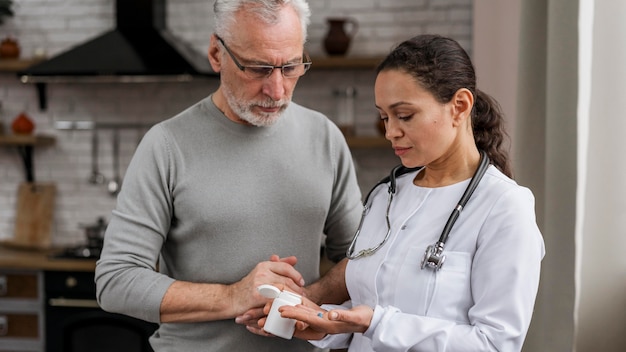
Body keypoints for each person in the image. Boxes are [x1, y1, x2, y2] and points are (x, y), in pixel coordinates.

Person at [94, 1, 363, 351]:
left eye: (291, 66)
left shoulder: (325, 137)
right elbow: (115, 281)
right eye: (258, 68)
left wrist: (306, 299)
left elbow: (360, 262)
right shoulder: (166, 145)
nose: (277, 90)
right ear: (216, 54)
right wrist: (233, 296)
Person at [252, 34, 546, 351]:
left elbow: (495, 344)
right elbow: (368, 308)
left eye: (404, 115)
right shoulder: (386, 196)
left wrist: (378, 323)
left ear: (459, 106)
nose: (391, 131)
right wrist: (325, 324)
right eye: (384, 117)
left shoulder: (504, 207)